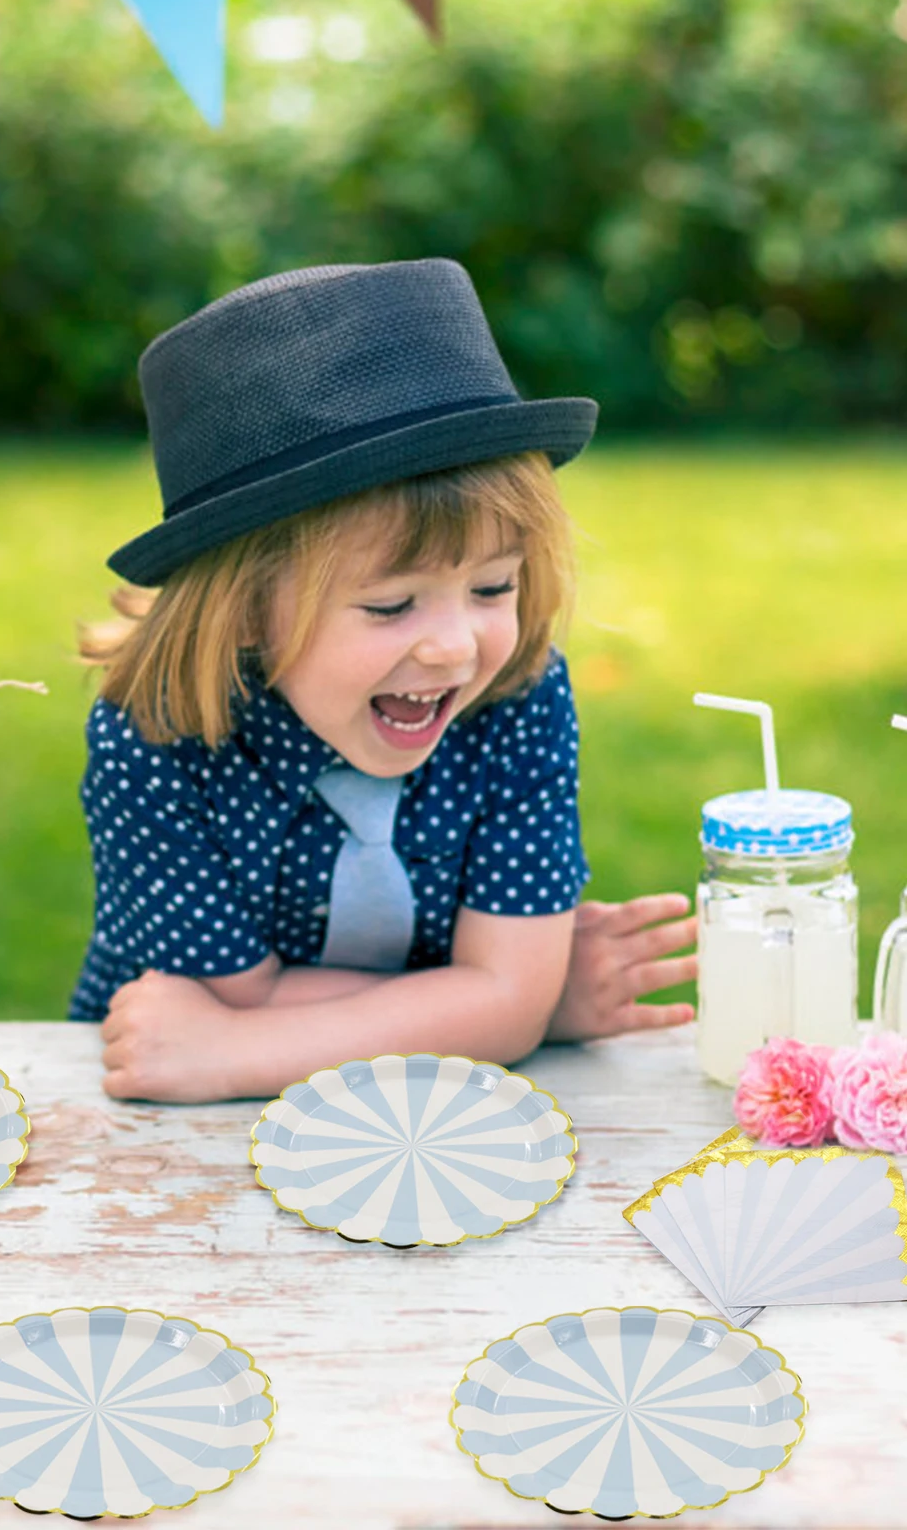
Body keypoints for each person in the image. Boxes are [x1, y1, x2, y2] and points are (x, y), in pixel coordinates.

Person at [71, 260, 697, 1102]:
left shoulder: (519, 696)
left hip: (401, 1117)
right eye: (391, 604)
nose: (452, 649)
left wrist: (513, 1005)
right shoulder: (156, 734)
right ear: (248, 608)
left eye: (491, 588)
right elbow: (225, 1002)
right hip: (166, 1126)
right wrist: (505, 1005)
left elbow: (247, 1027)